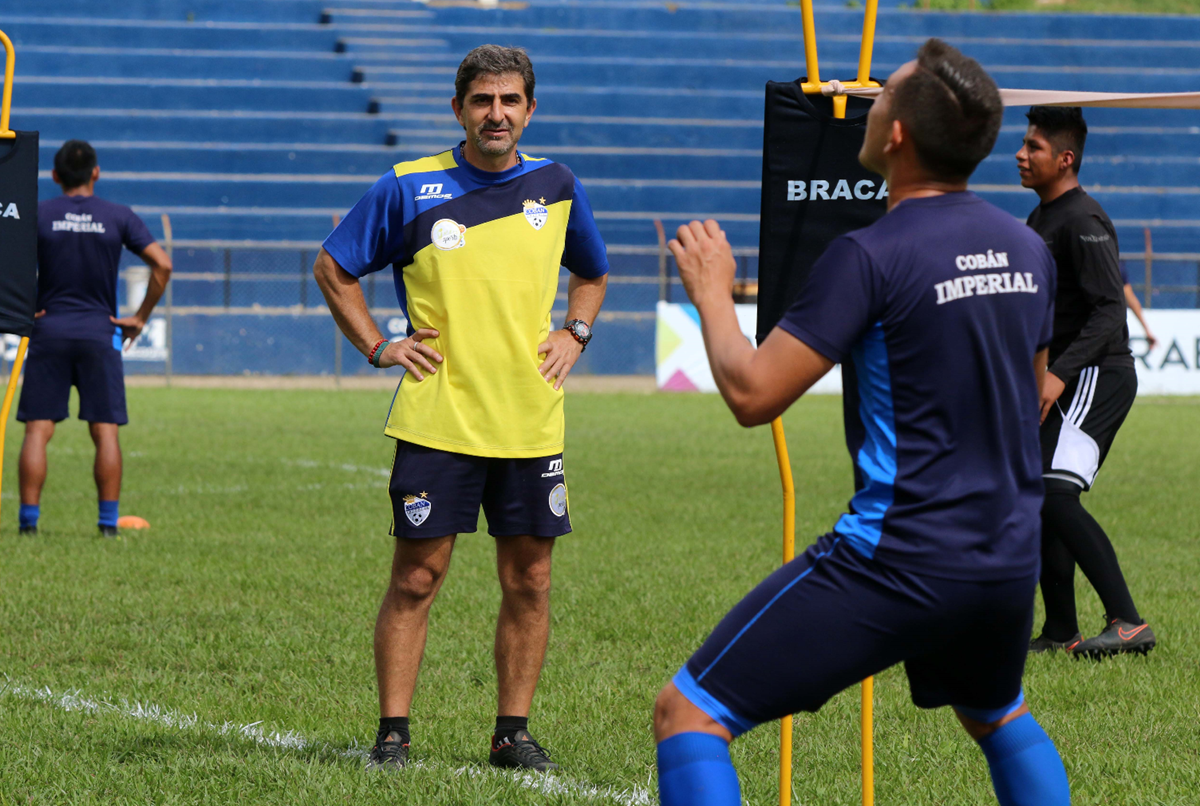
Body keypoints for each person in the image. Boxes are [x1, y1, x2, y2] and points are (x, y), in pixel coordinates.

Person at [653, 40, 1070, 806]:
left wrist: (712, 292)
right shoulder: (1027, 248)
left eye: (882, 94)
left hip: (898, 559)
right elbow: (1033, 388)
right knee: (994, 711)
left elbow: (753, 395)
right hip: (1009, 556)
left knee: (688, 714)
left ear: (899, 135)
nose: (868, 102)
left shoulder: (868, 255)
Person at [314, 45, 609, 772]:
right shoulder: (407, 186)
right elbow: (332, 265)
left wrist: (575, 333)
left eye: (510, 101)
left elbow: (594, 271)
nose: (497, 113)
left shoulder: (559, 185)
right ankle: (393, 734)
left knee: (530, 579)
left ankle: (512, 734)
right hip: (438, 417)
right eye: (482, 101)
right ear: (459, 109)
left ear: (530, 109)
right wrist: (379, 346)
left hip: (528, 417)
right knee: (417, 576)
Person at [1017, 106, 1155, 657]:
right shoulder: (1039, 220)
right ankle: (1060, 631)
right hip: (1062, 376)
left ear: (1065, 158)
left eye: (1034, 146)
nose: (1022, 155)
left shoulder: (1083, 220)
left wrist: (1058, 375)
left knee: (1055, 490)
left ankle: (1128, 621)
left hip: (1099, 375)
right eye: (1023, 145)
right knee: (1040, 496)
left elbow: (1107, 314)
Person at [16, 140, 172, 538]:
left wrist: (19, 309)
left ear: (54, 176)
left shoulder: (38, 213)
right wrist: (140, 317)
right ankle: (107, 526)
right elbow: (163, 264)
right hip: (100, 333)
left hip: (48, 330)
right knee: (105, 430)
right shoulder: (117, 215)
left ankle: (28, 525)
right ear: (96, 173)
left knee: (38, 429)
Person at [1120, 262, 1157, 349]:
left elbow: (1131, 299)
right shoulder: (1114, 264)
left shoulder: (1115, 266)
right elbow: (1131, 300)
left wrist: (1147, 330)